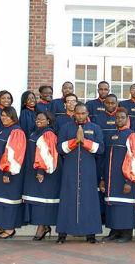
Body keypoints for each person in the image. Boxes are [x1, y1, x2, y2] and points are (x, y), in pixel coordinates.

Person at [56, 103, 104, 244]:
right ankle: (62, 233)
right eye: (78, 113)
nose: (81, 116)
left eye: (83, 113)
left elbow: (101, 149)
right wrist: (74, 141)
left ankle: (91, 234)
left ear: (87, 113)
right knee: (67, 200)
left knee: (90, 201)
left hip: (89, 170)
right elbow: (59, 148)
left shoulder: (95, 128)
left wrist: (84, 142)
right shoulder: (66, 128)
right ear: (73, 114)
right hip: (70, 170)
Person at [100, 107, 135, 243]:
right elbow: (105, 158)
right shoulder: (111, 135)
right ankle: (114, 231)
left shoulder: (132, 136)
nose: (119, 120)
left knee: (125, 206)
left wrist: (130, 181)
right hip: (110, 178)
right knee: (112, 205)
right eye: (117, 117)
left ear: (127, 119)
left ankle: (126, 233)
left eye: (122, 117)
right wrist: (102, 178)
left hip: (125, 179)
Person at [0, 106, 27, 239]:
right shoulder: (1, 130)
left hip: (9, 173)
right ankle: (1, 226)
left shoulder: (16, 131)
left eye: (7, 116)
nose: (4, 118)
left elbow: (14, 154)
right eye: (2, 115)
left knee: (8, 201)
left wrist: (7, 172)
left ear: (13, 117)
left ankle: (9, 228)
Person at [22, 111, 61, 241]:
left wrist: (41, 171)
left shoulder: (48, 134)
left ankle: (43, 226)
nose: (38, 120)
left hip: (44, 172)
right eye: (37, 118)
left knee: (43, 201)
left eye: (41, 119)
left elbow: (48, 155)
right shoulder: (36, 132)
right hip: (33, 171)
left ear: (48, 121)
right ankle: (43, 225)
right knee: (37, 199)